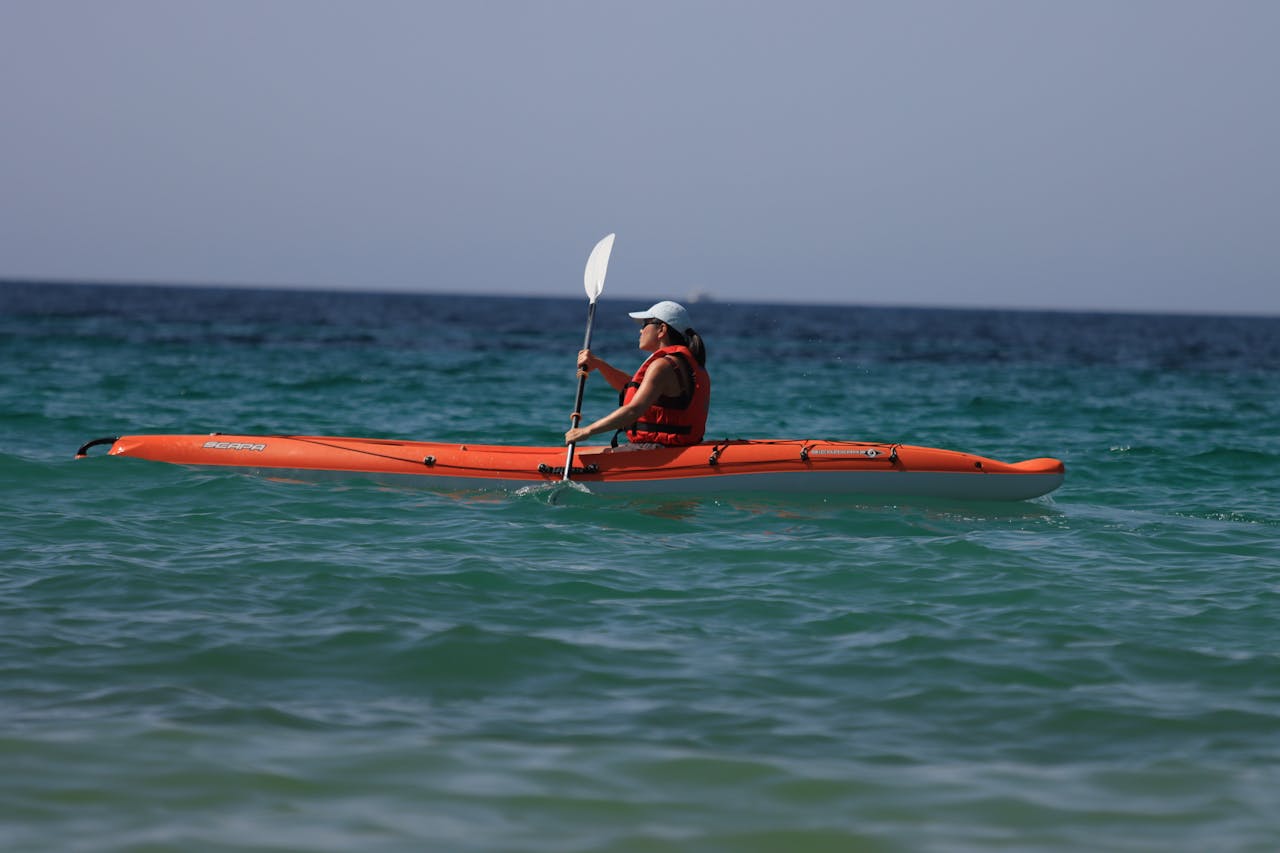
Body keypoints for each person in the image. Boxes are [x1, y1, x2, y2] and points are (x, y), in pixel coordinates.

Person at [564, 300, 710, 449]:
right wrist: (600, 365)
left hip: (658, 449)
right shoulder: (681, 363)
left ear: (662, 330)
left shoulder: (662, 366)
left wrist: (586, 431)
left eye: (645, 324)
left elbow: (633, 410)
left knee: (586, 459)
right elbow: (633, 389)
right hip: (674, 445)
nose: (641, 330)